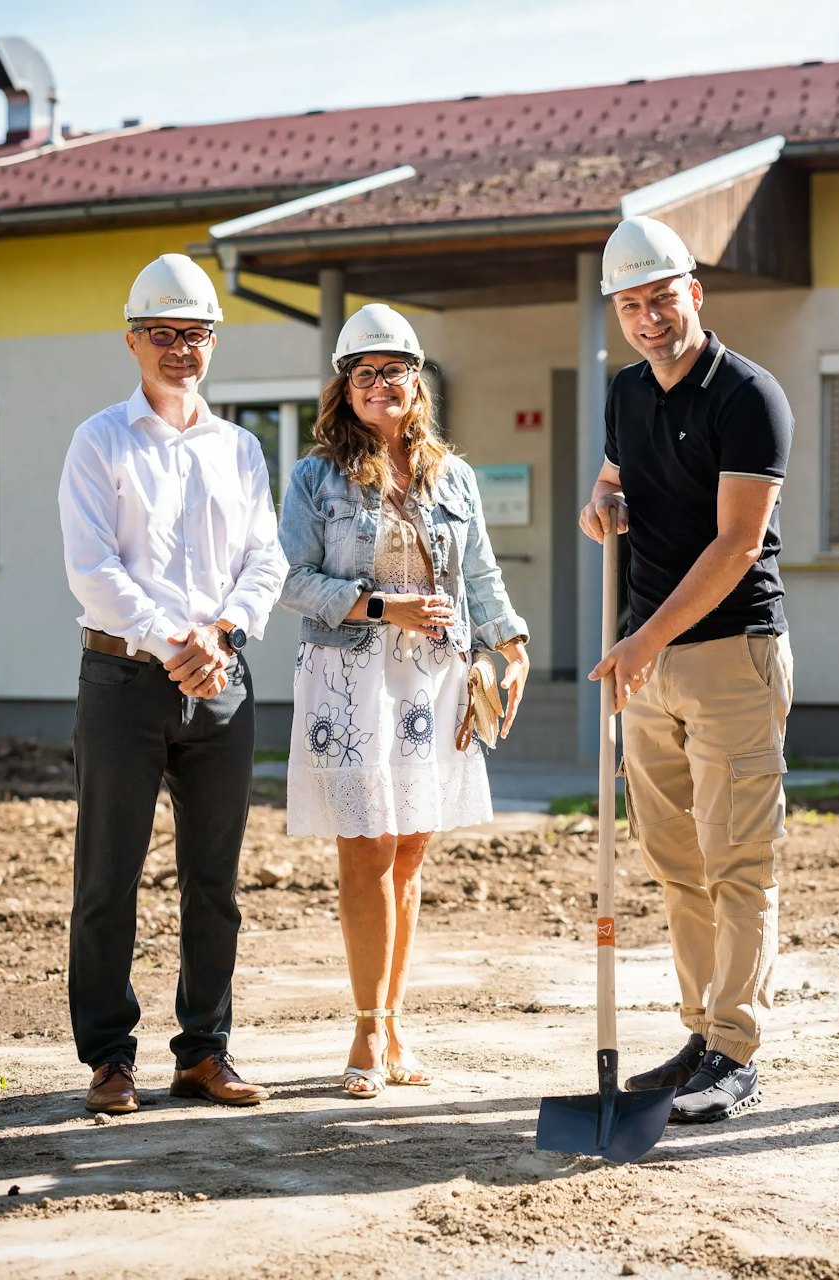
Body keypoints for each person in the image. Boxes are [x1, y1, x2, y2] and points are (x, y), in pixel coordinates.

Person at [278, 303, 530, 1100]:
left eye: (395, 370)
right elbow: (290, 579)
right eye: (366, 372)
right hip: (350, 678)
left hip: (433, 678)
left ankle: (392, 1024)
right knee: (367, 849)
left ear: (417, 382)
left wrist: (512, 644)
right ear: (345, 386)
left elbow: (480, 573)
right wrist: (384, 607)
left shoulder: (451, 476)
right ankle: (364, 1027)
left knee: (412, 851)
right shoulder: (315, 477)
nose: (381, 383)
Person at [58, 253, 286, 1115]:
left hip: (221, 680)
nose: (180, 348)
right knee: (108, 877)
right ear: (133, 340)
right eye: (163, 332)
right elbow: (93, 570)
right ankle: (109, 1059)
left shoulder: (241, 449)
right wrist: (170, 643)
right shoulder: (98, 441)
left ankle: (204, 1052)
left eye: (195, 333)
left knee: (214, 882)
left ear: (213, 341)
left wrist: (220, 638)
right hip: (123, 678)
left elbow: (266, 559)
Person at [580, 215, 794, 1125]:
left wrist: (643, 641)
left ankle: (736, 1051)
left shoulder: (749, 395)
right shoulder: (626, 391)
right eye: (631, 305)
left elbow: (738, 543)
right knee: (677, 863)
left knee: (738, 859)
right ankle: (700, 1034)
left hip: (730, 653)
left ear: (693, 293)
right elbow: (616, 478)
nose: (648, 318)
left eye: (662, 299)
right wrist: (602, 501)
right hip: (650, 660)